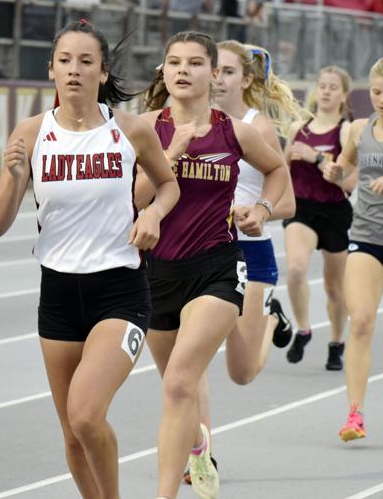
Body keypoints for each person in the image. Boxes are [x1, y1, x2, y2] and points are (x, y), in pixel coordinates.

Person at [0, 19, 179, 498]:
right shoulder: (31, 133)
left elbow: (169, 185)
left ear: (102, 71)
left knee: (87, 414)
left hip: (119, 290)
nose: (74, 69)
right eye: (65, 60)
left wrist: (153, 212)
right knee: (72, 435)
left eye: (85, 61)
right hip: (57, 293)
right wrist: (14, 178)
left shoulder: (131, 130)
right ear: (51, 69)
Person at [137, 31, 288, 499]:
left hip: (217, 268)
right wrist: (172, 152)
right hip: (156, 272)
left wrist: (260, 209)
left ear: (211, 73)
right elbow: (135, 199)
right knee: (175, 386)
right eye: (174, 62)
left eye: (196, 63)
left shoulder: (235, 131)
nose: (183, 70)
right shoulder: (142, 128)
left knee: (182, 379)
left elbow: (278, 170)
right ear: (163, 70)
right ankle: (198, 440)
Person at [178, 40, 301, 488]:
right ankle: (201, 457)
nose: (220, 79)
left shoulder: (256, 126)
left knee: (242, 372)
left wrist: (260, 211)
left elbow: (286, 199)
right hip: (201, 250)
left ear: (246, 79)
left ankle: (269, 318)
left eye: (230, 72)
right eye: (218, 71)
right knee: (191, 360)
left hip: (249, 252)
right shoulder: (191, 118)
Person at [323, 49, 383, 442]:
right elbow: (343, 164)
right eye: (377, 92)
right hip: (365, 238)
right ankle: (354, 414)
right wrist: (335, 170)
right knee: (360, 321)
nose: (382, 99)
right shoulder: (359, 128)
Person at [283, 65, 357, 370]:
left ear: (343, 94)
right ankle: (303, 329)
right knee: (297, 268)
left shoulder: (346, 130)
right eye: (322, 85)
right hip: (301, 208)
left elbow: (350, 184)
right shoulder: (297, 128)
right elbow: (281, 172)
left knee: (334, 287)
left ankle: (337, 342)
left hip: (334, 210)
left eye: (332, 86)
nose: (325, 91)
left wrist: (316, 158)